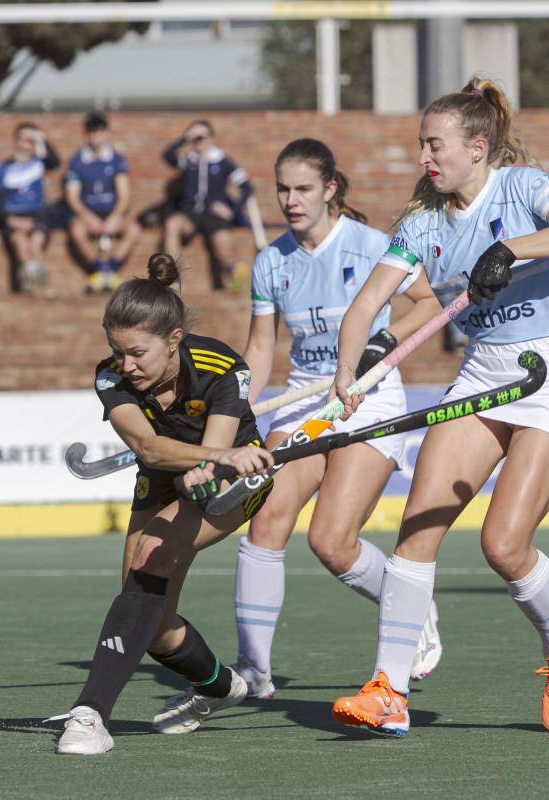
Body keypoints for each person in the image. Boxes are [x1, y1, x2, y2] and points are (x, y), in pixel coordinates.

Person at [328, 77, 549, 737]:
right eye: (422, 145)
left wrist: (511, 248)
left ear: (477, 147)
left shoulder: (524, 187)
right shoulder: (422, 225)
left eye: (436, 145)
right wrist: (350, 375)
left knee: (504, 544)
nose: (425, 157)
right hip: (483, 374)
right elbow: (367, 305)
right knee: (417, 530)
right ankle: (390, 691)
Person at [230, 139, 444, 700]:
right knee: (267, 518)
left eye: (303, 189)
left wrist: (381, 345)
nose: (291, 200)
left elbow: (427, 304)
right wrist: (236, 408)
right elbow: (259, 347)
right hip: (305, 398)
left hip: (369, 397)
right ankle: (254, 669)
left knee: (331, 540)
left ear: (330, 190)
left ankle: (412, 609)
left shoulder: (373, 245)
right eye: (283, 189)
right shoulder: (270, 261)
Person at [49, 253, 275, 755]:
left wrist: (215, 467)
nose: (126, 366)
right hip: (168, 471)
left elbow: (218, 465)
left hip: (238, 482)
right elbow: (149, 447)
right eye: (117, 351)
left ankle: (90, 716)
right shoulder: (111, 377)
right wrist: (211, 458)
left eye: (137, 353)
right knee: (145, 620)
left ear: (174, 340)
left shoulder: (222, 368)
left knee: (152, 555)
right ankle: (221, 686)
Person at [161, 120, 253, 290]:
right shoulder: (188, 161)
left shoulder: (223, 161)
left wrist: (232, 211)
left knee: (223, 247)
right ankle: (173, 278)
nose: (199, 142)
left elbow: (247, 188)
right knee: (172, 224)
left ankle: (235, 276)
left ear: (211, 138)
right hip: (190, 214)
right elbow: (166, 155)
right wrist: (185, 138)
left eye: (202, 137)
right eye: (195, 138)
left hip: (215, 216)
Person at [64, 112, 141, 293]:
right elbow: (72, 197)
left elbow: (124, 195)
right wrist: (87, 216)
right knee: (76, 230)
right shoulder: (77, 161)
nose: (94, 137)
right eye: (90, 132)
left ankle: (109, 270)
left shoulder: (116, 159)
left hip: (112, 211)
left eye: (98, 132)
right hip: (87, 212)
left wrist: (115, 216)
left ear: (106, 133)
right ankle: (101, 270)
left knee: (134, 229)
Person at [0, 122, 60, 294]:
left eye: (32, 141)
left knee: (36, 243)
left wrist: (42, 138)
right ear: (16, 141)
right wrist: (10, 220)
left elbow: (55, 161)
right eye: (26, 140)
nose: (29, 144)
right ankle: (30, 285)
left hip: (36, 216)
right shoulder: (4, 168)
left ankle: (41, 285)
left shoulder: (39, 163)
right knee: (20, 242)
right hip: (13, 216)